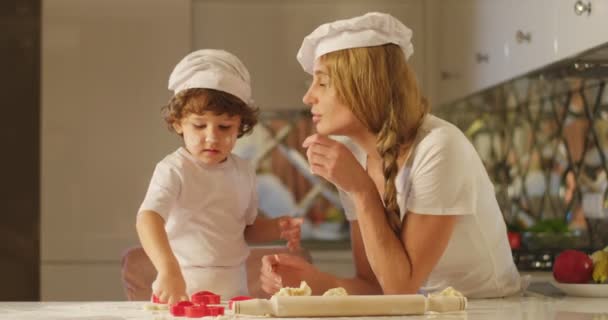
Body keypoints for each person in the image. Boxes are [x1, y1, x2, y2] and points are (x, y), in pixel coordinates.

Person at [260, 12, 521, 298]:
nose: (308, 96)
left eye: (322, 83)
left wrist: (360, 189)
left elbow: (400, 287)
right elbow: (375, 285)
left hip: (485, 311)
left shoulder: (439, 147)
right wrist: (311, 282)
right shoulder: (355, 157)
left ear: (363, 86)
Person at [136, 49, 302, 304]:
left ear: (240, 127)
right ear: (179, 123)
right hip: (180, 286)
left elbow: (244, 230)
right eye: (199, 125)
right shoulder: (174, 169)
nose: (212, 137)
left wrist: (277, 227)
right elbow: (148, 218)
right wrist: (168, 270)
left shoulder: (243, 170)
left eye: (225, 127)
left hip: (234, 287)